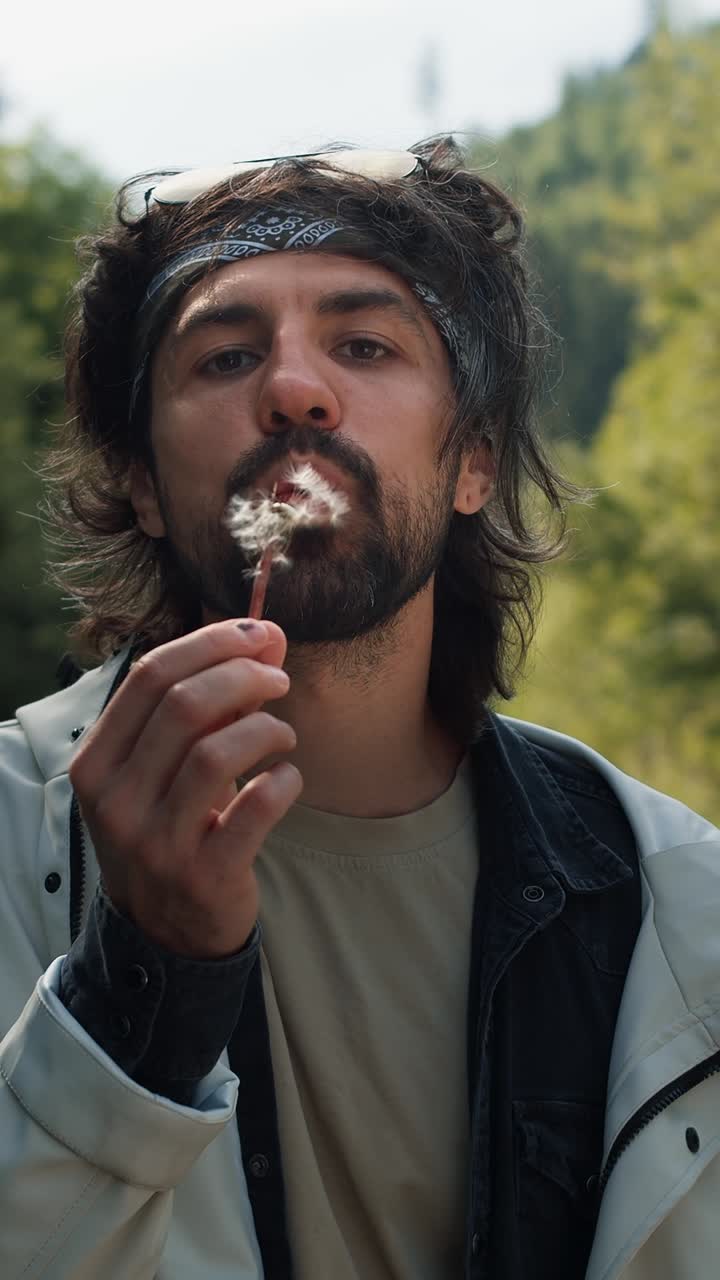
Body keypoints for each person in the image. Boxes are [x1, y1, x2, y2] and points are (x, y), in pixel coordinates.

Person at [0, 139, 718, 1280]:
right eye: (227, 356)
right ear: (143, 482)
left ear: (472, 462)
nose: (294, 389)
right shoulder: (12, 840)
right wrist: (134, 984)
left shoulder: (680, 905)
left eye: (366, 344)